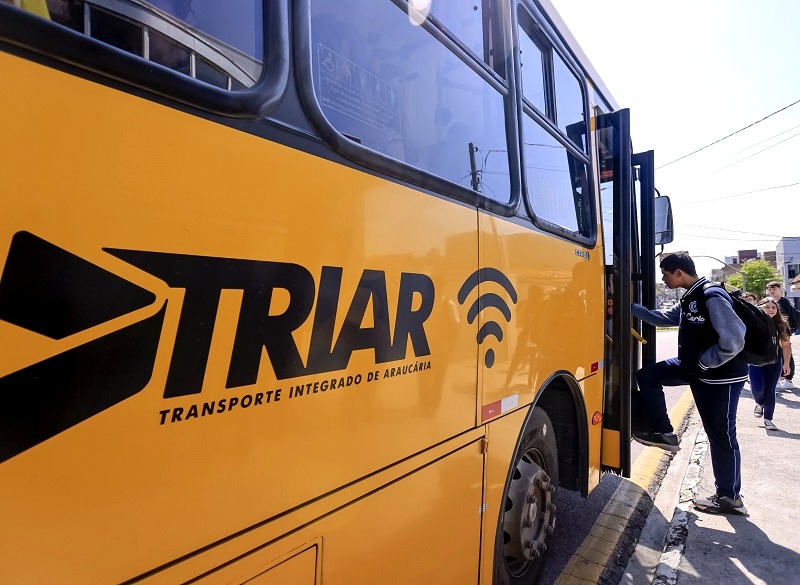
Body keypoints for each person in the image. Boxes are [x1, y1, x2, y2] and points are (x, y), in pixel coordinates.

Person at [631, 253, 748, 515]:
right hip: (695, 369)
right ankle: (664, 433)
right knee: (647, 376)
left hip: (721, 377)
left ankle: (729, 497)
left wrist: (706, 362)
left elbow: (734, 340)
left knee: (721, 435)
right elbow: (661, 318)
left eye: (665, 274)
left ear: (679, 272)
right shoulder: (689, 297)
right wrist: (626, 307)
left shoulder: (711, 295)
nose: (663, 279)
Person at [750, 297, 792, 430]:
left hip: (774, 362)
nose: (771, 309)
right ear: (759, 307)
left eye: (774, 307)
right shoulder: (752, 321)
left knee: (770, 390)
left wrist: (786, 364)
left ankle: (768, 419)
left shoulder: (781, 324)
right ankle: (759, 403)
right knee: (758, 388)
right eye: (767, 306)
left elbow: (786, 345)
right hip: (756, 361)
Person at [766, 281, 796, 389]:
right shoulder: (773, 301)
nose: (771, 291)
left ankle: (788, 378)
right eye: (770, 289)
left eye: (774, 289)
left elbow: (785, 317)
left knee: (786, 352)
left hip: (783, 330)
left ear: (780, 289)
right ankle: (783, 377)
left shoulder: (783, 301)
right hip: (778, 331)